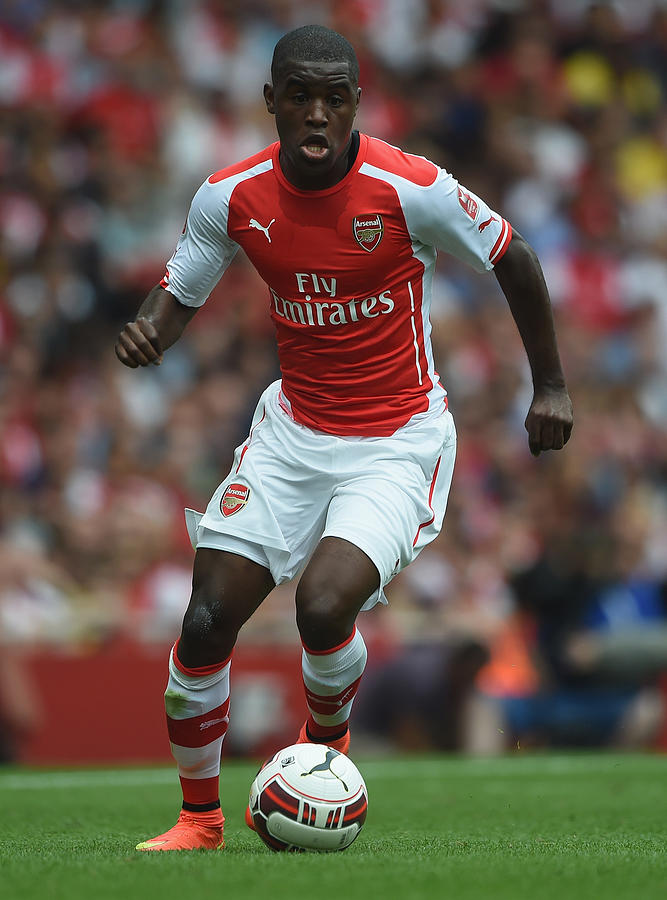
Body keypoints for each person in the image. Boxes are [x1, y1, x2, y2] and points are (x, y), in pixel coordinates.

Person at [115, 25, 573, 851]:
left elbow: (515, 256)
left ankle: (325, 749)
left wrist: (550, 384)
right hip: (291, 433)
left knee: (324, 607)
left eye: (334, 96)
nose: (317, 113)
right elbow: (180, 286)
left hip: (396, 441)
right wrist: (151, 330)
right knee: (206, 620)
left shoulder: (411, 188)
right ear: (272, 103)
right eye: (300, 96)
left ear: (357, 102)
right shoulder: (231, 195)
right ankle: (199, 820)